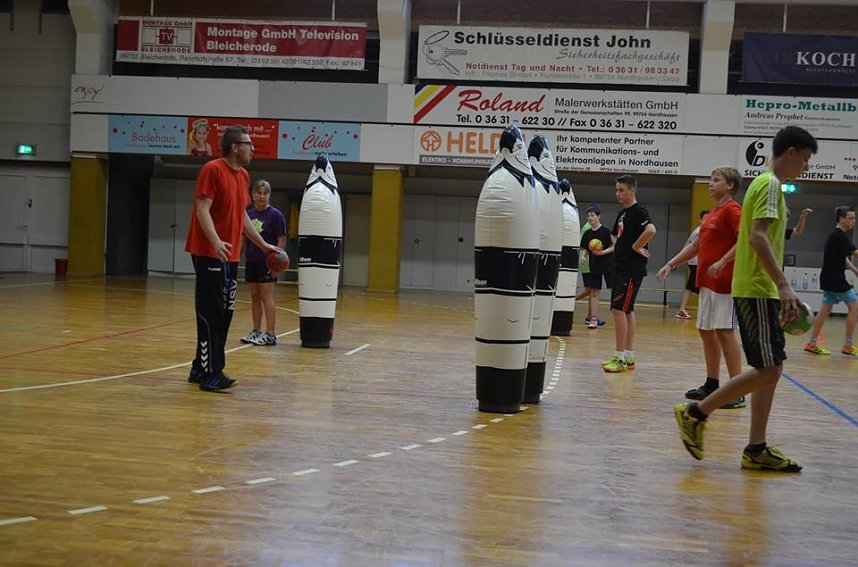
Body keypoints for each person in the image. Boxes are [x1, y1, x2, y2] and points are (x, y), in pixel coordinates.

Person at [675, 125, 818, 472]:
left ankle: (756, 448)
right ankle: (696, 413)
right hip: (757, 289)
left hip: (759, 289)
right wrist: (783, 285)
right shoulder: (768, 185)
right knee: (770, 368)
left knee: (770, 369)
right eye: (806, 159)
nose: (806, 166)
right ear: (791, 152)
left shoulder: (765, 186)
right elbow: (756, 238)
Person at [185, 125, 279, 392]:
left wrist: (262, 245)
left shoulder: (244, 175)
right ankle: (211, 373)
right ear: (235, 147)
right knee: (210, 313)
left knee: (225, 312)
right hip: (208, 252)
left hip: (230, 254)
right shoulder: (212, 170)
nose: (253, 148)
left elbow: (242, 216)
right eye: (249, 144)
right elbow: (202, 208)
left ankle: (199, 365)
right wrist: (214, 241)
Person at [657, 168, 744, 409]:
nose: (710, 184)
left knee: (725, 331)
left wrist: (724, 261)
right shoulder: (712, 214)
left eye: (716, 180)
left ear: (730, 185)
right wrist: (671, 263)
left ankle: (737, 391)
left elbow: (745, 239)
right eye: (710, 179)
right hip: (706, 284)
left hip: (724, 284)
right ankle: (712, 384)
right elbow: (696, 245)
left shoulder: (733, 210)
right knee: (706, 331)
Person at [602, 175, 656, 373]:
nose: (618, 193)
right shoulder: (622, 214)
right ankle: (628, 356)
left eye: (622, 190)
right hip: (620, 266)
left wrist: (636, 246)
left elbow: (651, 230)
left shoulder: (639, 212)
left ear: (632, 191)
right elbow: (616, 238)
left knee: (618, 310)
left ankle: (619, 358)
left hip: (631, 269)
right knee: (626, 310)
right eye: (616, 190)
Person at [803, 206, 858, 357]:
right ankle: (848, 345)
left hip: (829, 278)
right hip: (835, 280)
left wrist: (854, 270)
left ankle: (812, 343)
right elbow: (856, 253)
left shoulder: (836, 236)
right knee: (855, 307)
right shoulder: (839, 235)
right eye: (851, 218)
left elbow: (843, 258)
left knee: (825, 310)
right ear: (842, 219)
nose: (854, 221)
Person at [240, 180, 287, 347]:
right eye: (259, 193)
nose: (261, 196)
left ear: (269, 195)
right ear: (253, 195)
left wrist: (276, 264)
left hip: (267, 263)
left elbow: (281, 239)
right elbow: (244, 238)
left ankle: (271, 334)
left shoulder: (275, 215)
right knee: (254, 297)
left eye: (265, 193)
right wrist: (237, 256)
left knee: (267, 296)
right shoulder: (249, 215)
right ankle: (256, 331)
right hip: (251, 261)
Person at [579, 204, 614, 329]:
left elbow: (614, 246)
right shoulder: (587, 233)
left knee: (614, 289)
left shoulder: (605, 231)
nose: (590, 218)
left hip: (608, 264)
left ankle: (619, 314)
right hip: (594, 265)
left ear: (598, 216)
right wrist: (583, 256)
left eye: (592, 215)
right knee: (594, 292)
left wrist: (603, 252)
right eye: (588, 216)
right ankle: (593, 319)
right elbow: (585, 248)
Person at [675, 210, 708, 319]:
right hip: (695, 262)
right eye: (705, 218)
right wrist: (677, 262)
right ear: (700, 220)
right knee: (701, 286)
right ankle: (683, 310)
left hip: (698, 262)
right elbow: (688, 246)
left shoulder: (704, 231)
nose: (707, 220)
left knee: (691, 286)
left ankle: (682, 309)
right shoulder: (698, 231)